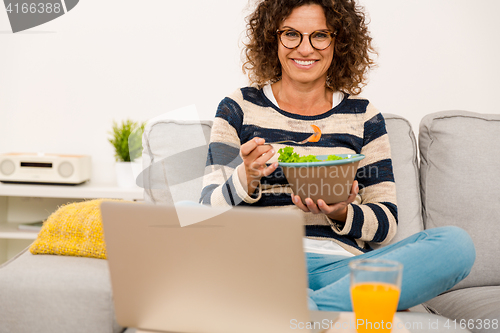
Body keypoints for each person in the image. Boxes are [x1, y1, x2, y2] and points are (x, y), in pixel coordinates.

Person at [200, 0, 475, 311]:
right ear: (272, 39)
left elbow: (386, 222)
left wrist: (341, 212)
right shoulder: (238, 107)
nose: (305, 49)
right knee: (184, 216)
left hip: (342, 269)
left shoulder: (364, 116)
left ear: (339, 41)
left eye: (320, 35)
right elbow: (205, 207)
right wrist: (245, 177)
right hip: (263, 260)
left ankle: (299, 309)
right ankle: (320, 308)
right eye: (291, 34)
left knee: (456, 245)